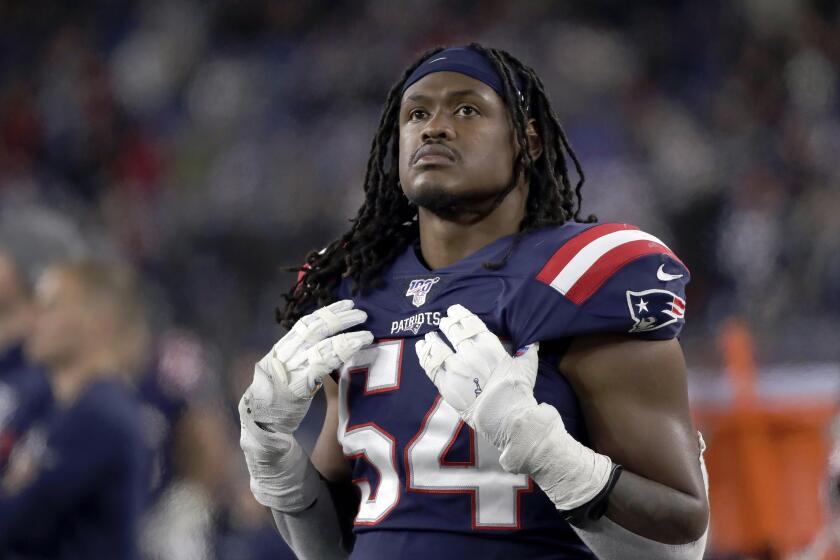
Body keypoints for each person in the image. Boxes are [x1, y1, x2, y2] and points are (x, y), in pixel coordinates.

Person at [239, 44, 709, 559]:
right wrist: (276, 459)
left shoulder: (581, 275)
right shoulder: (355, 287)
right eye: (417, 113)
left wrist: (551, 455)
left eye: (467, 109)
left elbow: (683, 528)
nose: (434, 127)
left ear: (527, 141)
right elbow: (334, 547)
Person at [0, 261, 149, 559]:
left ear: (97, 322)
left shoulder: (100, 414)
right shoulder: (54, 406)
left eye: (49, 307)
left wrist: (16, 487)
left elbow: (16, 521)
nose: (31, 320)